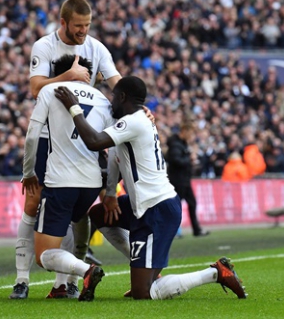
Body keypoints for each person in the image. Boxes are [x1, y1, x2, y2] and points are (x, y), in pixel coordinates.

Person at [54, 75, 247, 300]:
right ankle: (142, 265)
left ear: (123, 97)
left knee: (143, 293)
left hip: (156, 210)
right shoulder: (132, 121)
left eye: (114, 97)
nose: (111, 102)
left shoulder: (134, 121)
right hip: (143, 206)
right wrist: (109, 194)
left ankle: (216, 273)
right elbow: (116, 155)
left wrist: (74, 108)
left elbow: (94, 141)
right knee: (99, 213)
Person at [10, 0, 122, 300]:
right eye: (78, 26)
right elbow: (35, 88)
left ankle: (66, 282)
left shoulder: (96, 47)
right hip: (50, 135)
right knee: (33, 204)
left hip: (86, 135)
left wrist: (137, 107)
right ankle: (22, 280)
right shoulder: (44, 46)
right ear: (63, 22)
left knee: (78, 210)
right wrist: (68, 77)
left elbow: (116, 82)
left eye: (87, 25)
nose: (83, 31)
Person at [22, 54, 114, 302]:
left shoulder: (50, 90)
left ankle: (86, 270)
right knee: (78, 217)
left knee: (44, 255)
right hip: (92, 182)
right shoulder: (102, 98)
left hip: (61, 181)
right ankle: (71, 284)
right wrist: (111, 187)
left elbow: (32, 135)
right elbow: (114, 146)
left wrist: (28, 171)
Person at [166, 123, 209, 237]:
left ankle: (196, 229)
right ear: (184, 131)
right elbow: (175, 160)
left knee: (192, 203)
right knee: (175, 206)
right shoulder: (176, 145)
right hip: (177, 180)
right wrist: (189, 159)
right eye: (190, 134)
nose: (191, 137)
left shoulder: (182, 144)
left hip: (184, 179)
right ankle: (172, 230)